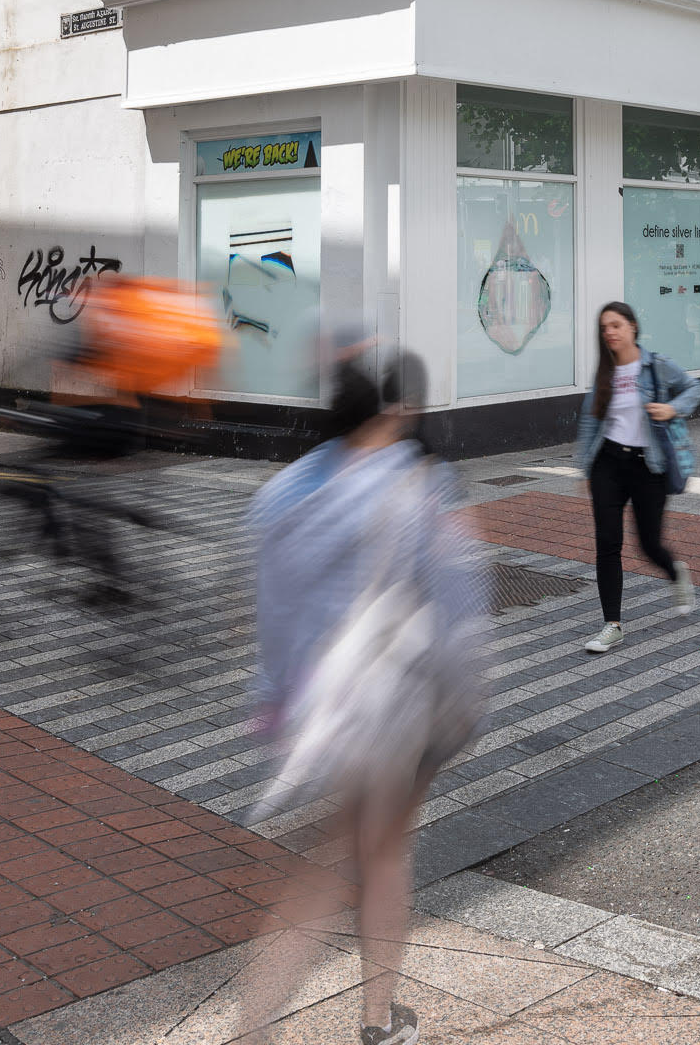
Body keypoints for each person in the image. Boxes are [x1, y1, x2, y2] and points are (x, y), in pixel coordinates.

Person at [244, 351, 485, 1045]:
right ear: (393, 410)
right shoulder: (420, 486)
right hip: (402, 706)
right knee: (375, 858)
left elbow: (273, 616)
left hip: (326, 711)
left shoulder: (284, 494)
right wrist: (464, 708)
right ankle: (372, 1021)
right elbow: (457, 602)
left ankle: (269, 1021)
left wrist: (280, 701)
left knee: (337, 857)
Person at [576, 301, 700, 654]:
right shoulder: (605, 373)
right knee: (608, 543)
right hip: (608, 464)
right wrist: (585, 468)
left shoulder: (656, 366)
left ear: (633, 327)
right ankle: (611, 624)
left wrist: (672, 408)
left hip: (649, 467)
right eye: (604, 328)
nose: (610, 333)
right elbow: (590, 421)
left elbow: (695, 387)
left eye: (616, 325)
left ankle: (676, 572)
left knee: (648, 544)